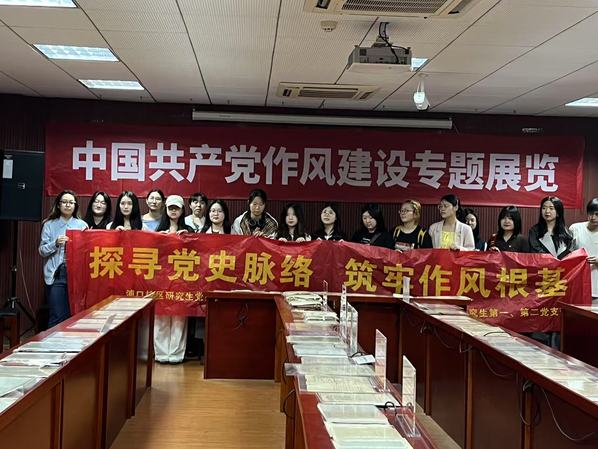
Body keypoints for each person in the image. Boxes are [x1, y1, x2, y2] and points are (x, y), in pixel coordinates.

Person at [39, 190, 88, 327]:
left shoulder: (82, 225)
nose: (68, 205)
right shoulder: (49, 224)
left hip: (76, 275)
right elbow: (42, 251)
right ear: (58, 205)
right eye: (64, 202)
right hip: (56, 273)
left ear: (75, 206)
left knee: (73, 315)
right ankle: (52, 341)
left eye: (71, 202)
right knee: (57, 315)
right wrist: (55, 243)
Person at [154, 195, 192, 364]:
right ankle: (161, 353)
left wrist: (188, 239)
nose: (174, 211)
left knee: (179, 317)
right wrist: (157, 239)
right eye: (171, 208)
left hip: (182, 280)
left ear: (182, 210)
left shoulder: (189, 230)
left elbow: (198, 254)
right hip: (161, 280)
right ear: (166, 209)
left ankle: (176, 354)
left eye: (177, 208)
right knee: (161, 316)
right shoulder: (159, 230)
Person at [569, 198, 598, 302]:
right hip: (577, 284)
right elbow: (567, 255)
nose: (593, 217)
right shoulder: (575, 228)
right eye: (590, 213)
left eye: (597, 214)